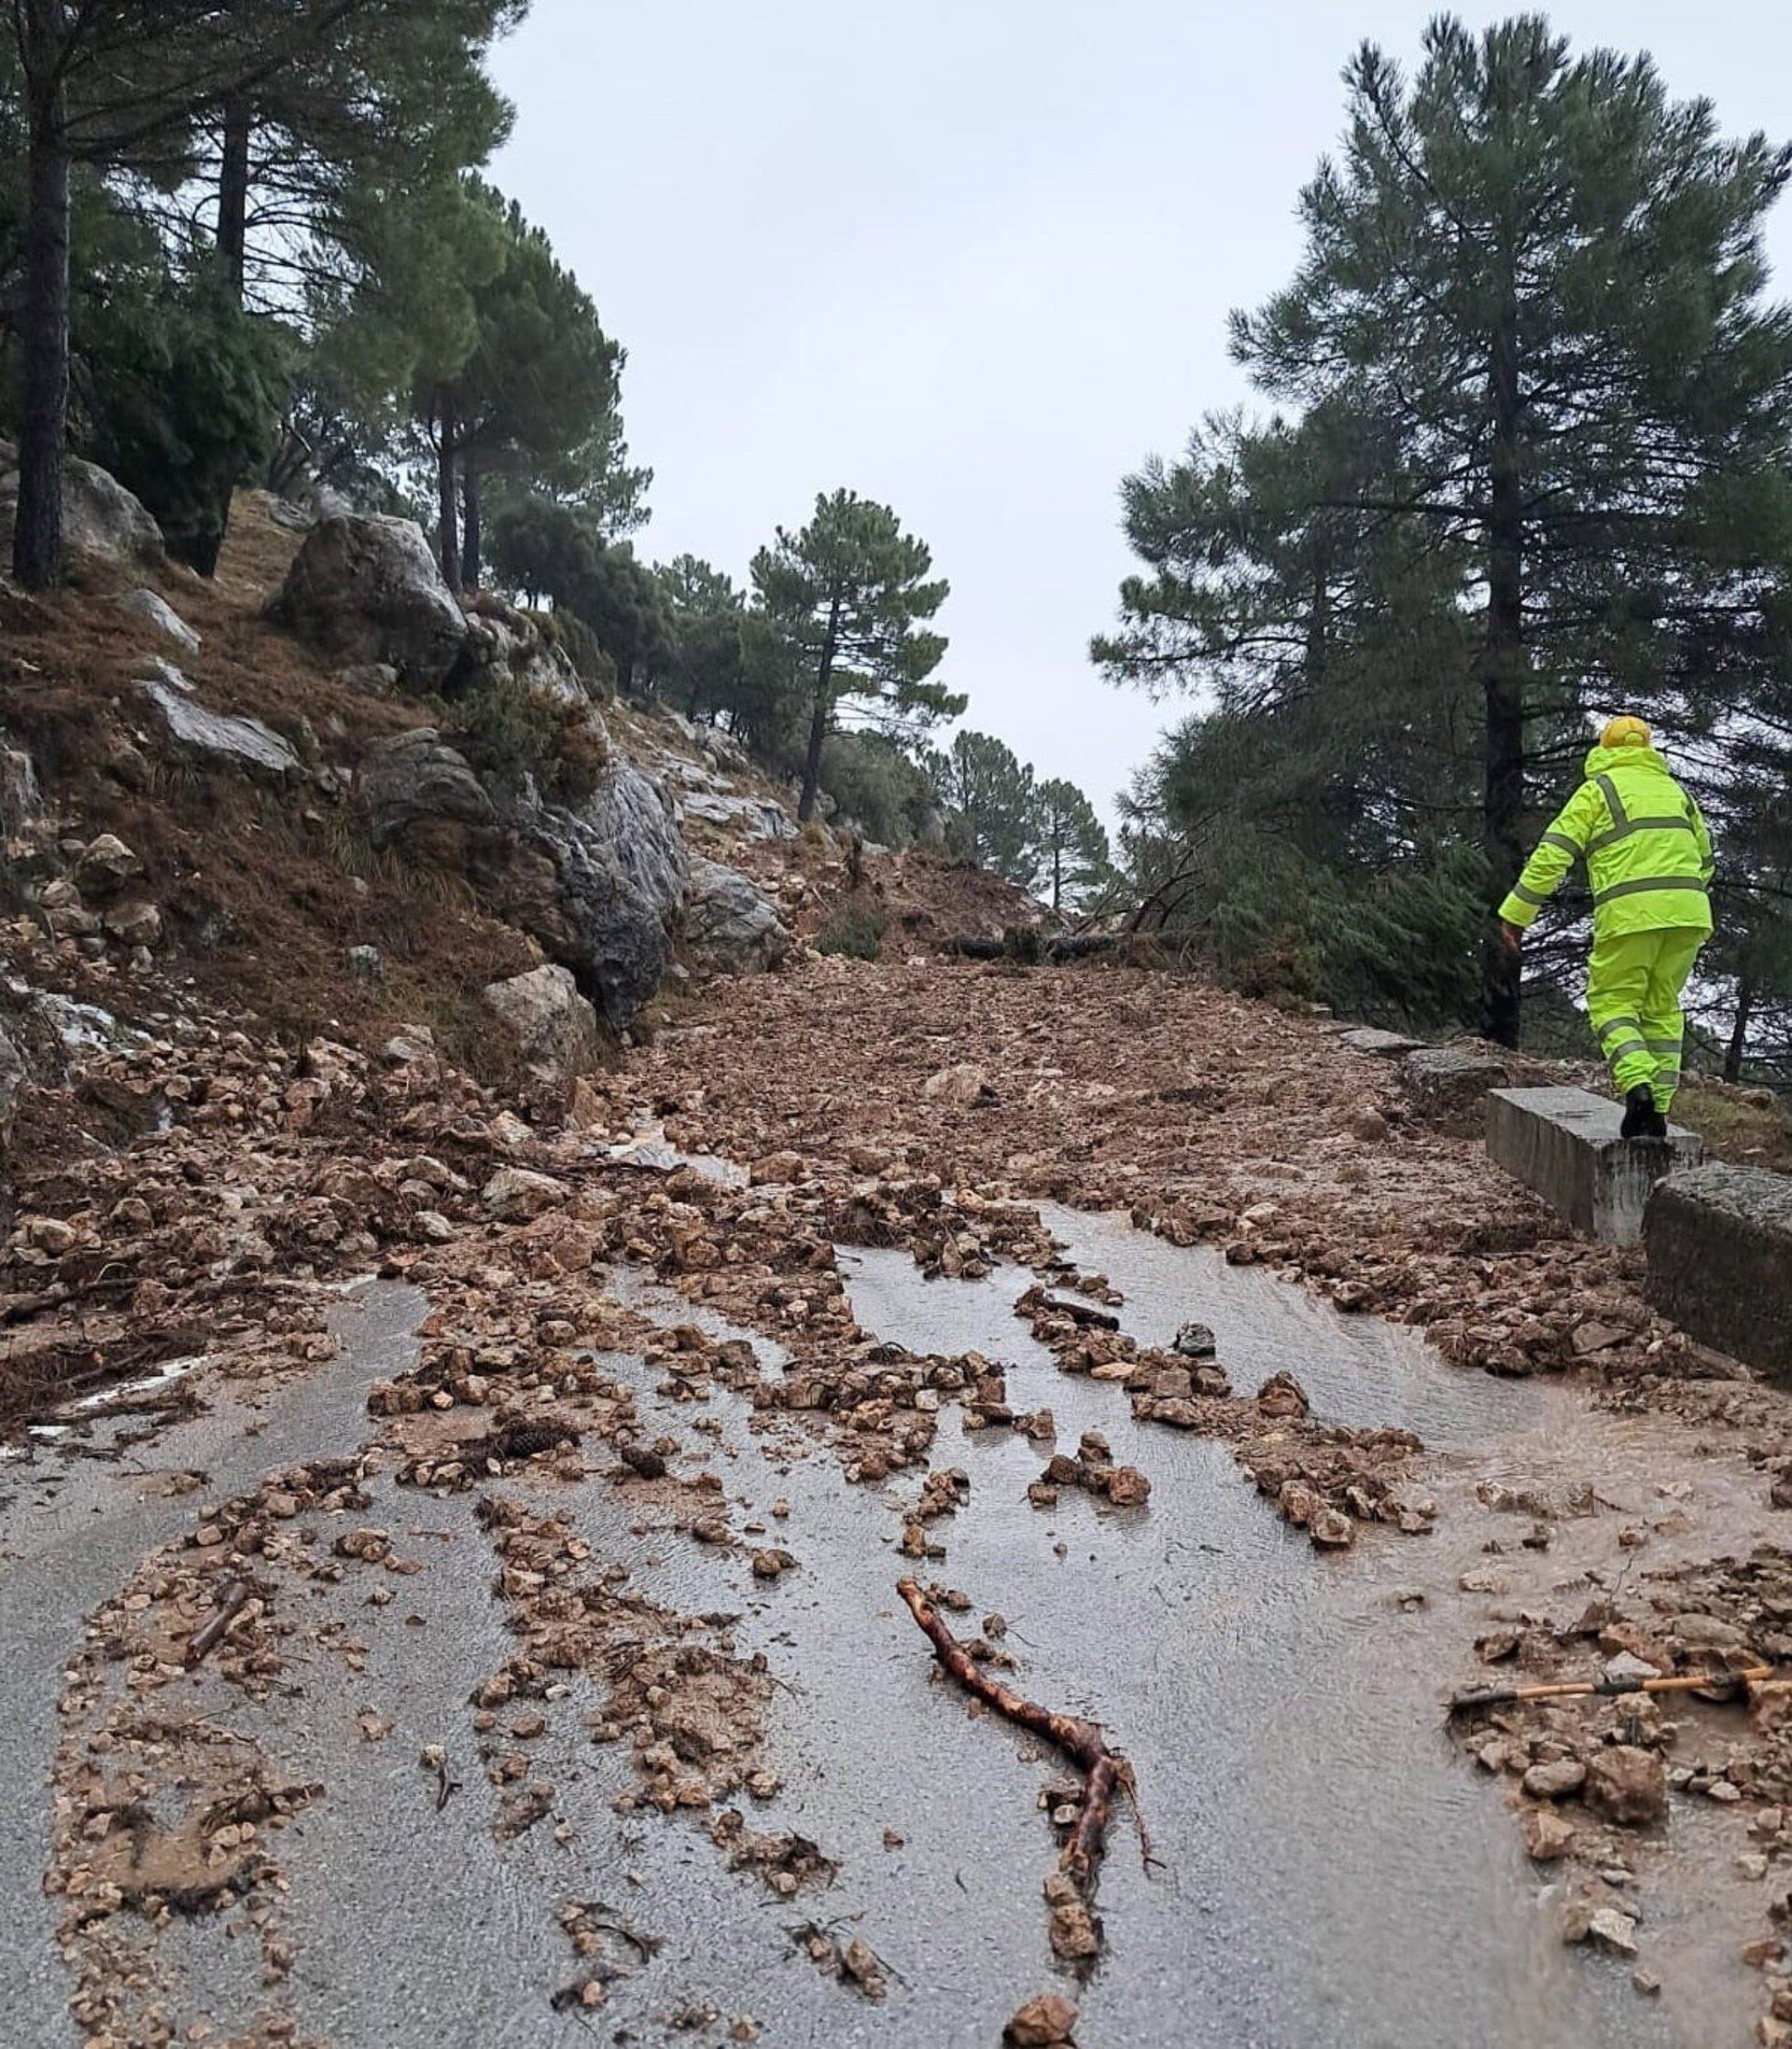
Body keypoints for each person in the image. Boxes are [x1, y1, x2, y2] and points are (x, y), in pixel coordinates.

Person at [1498, 716, 1714, 1139]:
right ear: (1647, 749)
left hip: (1631, 916)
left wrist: (1517, 914)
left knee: (1611, 1002)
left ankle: (1638, 1090)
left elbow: (1552, 855)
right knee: (1663, 1010)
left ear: (1605, 749)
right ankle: (1658, 1114)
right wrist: (1679, 901)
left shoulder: (1598, 790)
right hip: (1689, 914)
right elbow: (1706, 860)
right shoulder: (1678, 793)